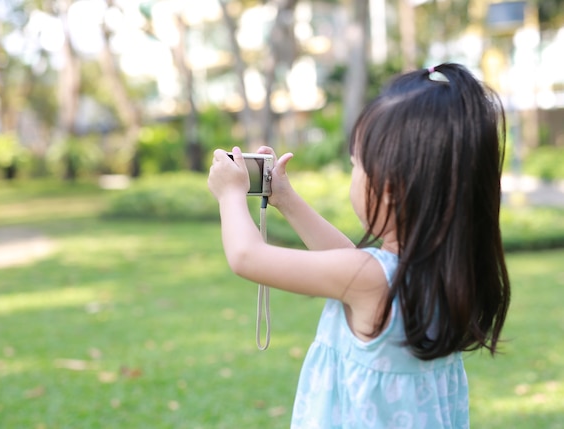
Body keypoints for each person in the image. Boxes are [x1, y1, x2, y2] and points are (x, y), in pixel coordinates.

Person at [207, 63, 511, 428]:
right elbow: (350, 262)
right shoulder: (444, 273)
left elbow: (246, 257)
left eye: (356, 165)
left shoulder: (369, 279)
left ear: (389, 187)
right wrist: (285, 199)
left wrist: (230, 194)